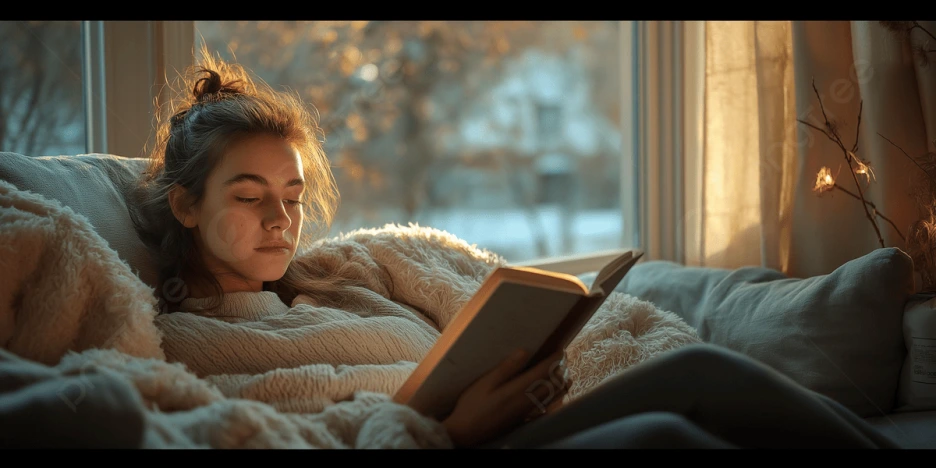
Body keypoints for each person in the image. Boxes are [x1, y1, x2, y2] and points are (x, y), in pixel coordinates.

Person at [130, 47, 901, 450]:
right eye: (249, 195)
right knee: (684, 400)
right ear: (186, 205)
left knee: (688, 414)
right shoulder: (190, 342)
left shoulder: (341, 285)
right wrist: (452, 430)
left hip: (509, 431)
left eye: (293, 197)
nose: (280, 217)